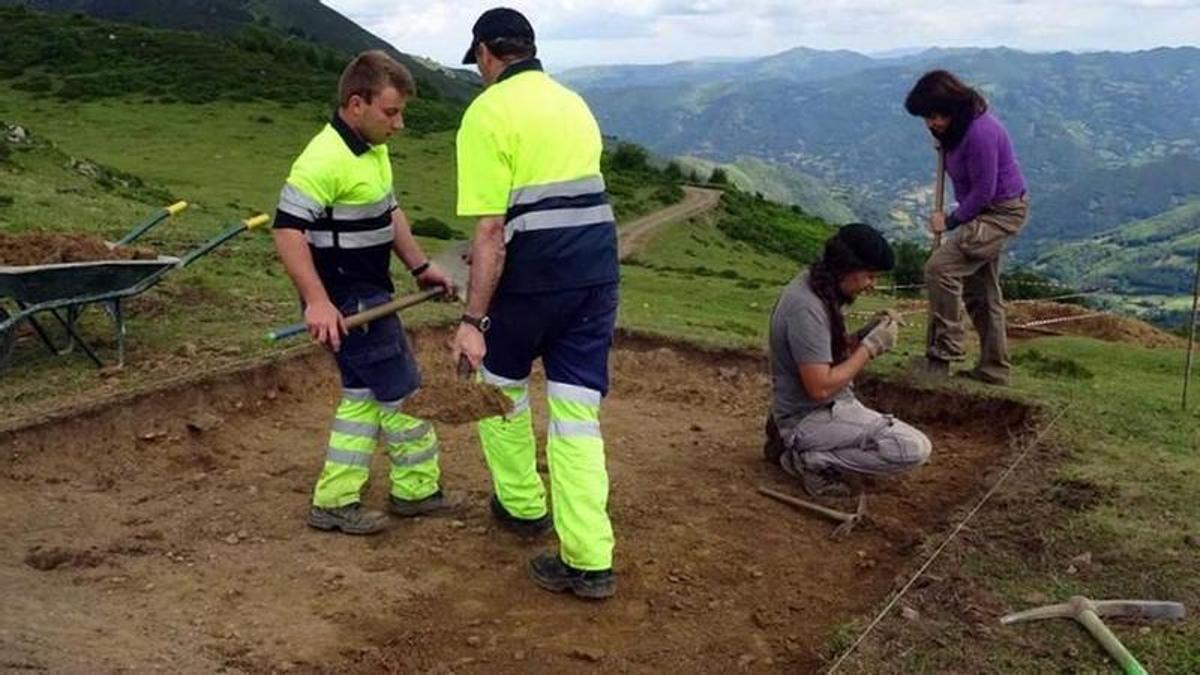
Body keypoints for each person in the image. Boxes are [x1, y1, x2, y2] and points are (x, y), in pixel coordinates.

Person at [449, 7, 619, 600]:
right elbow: (560, 205)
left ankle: (522, 506)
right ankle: (590, 559)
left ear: (486, 54)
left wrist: (472, 320)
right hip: (596, 273)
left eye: (477, 63)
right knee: (576, 417)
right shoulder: (574, 103)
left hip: (531, 283)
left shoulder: (486, 113)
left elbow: (492, 230)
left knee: (499, 387)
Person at [272, 50, 455, 535]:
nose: (399, 125)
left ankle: (334, 500)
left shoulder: (372, 149)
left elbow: (389, 211)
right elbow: (287, 230)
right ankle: (416, 490)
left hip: (371, 292)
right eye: (391, 112)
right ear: (357, 104)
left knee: (361, 398)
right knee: (403, 392)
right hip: (349, 302)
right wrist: (317, 301)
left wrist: (419, 266)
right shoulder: (323, 159)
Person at [763, 224, 932, 497]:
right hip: (810, 415)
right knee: (913, 448)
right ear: (847, 268)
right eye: (869, 275)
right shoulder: (806, 307)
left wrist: (864, 333)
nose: (871, 284)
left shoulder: (818, 287)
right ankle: (810, 459)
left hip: (828, 406)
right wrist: (870, 347)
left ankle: (802, 447)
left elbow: (824, 353)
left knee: (896, 440)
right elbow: (819, 387)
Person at [905, 69, 1029, 385]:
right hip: (981, 212)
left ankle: (946, 348)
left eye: (935, 116)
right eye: (926, 118)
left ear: (952, 107)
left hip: (999, 213)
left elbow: (984, 192)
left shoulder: (980, 132)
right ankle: (994, 369)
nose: (931, 123)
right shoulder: (956, 131)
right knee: (981, 294)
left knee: (940, 269)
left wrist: (948, 221)